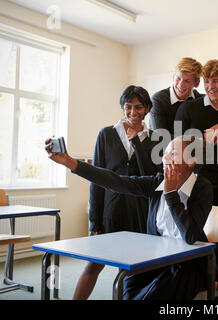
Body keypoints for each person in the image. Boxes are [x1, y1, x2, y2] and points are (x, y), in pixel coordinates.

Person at [45, 135, 213, 300]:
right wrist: (69, 161)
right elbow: (115, 181)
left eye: (173, 154)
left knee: (152, 293)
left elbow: (190, 236)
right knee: (128, 283)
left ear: (192, 160)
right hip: (158, 260)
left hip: (187, 265)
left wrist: (170, 194)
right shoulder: (157, 182)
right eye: (165, 153)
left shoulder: (202, 188)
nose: (165, 158)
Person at [73, 85, 159, 300]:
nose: (133, 112)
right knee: (93, 265)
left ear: (147, 108)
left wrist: (137, 142)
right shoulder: (106, 134)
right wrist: (94, 221)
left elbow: (150, 175)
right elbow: (96, 179)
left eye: (139, 107)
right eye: (128, 107)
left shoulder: (156, 138)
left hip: (140, 211)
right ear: (122, 107)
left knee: (134, 270)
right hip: (112, 209)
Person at [175, 59, 218, 207]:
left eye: (215, 81)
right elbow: (178, 146)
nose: (210, 87)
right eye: (206, 81)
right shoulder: (188, 109)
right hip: (198, 184)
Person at [149, 57, 218, 137]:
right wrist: (204, 136)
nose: (181, 84)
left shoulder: (197, 99)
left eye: (187, 81)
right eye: (178, 78)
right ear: (173, 77)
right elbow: (161, 137)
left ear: (197, 83)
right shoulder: (158, 100)